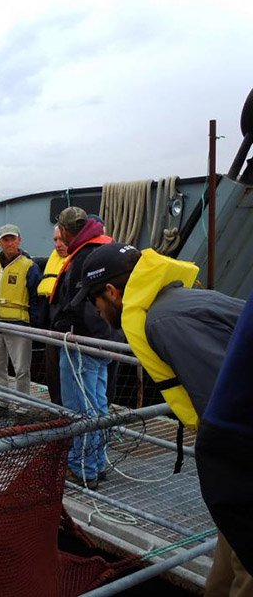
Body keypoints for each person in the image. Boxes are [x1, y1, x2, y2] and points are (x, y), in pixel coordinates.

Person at [72, 242, 249, 593]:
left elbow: (225, 402)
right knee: (226, 565)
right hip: (237, 450)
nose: (96, 310)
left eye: (94, 300)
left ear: (111, 292)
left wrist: (227, 474)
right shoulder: (183, 303)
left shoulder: (165, 321)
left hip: (243, 456)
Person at [49, 206, 113, 490]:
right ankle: (97, 463)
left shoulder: (83, 257)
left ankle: (82, 468)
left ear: (64, 230)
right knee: (98, 404)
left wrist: (61, 328)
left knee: (80, 407)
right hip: (104, 340)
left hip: (80, 343)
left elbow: (76, 304)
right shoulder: (102, 249)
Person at [0, 224, 42, 395]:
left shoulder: (30, 267)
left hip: (17, 325)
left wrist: (34, 325)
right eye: (5, 240)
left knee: (21, 369)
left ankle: (22, 403)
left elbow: (36, 298)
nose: (10, 243)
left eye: (13, 239)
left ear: (19, 240)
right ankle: (1, 401)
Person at [36, 225, 68, 405]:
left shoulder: (79, 261)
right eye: (55, 240)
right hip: (52, 327)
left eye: (62, 239)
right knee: (53, 373)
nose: (58, 244)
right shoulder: (54, 259)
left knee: (71, 374)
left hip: (71, 331)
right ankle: (57, 409)